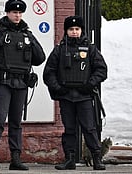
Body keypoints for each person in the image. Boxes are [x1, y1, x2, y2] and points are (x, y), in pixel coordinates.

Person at [0, 0, 46, 171]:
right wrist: (1, 41)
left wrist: (30, 41)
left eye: (20, 13)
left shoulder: (27, 34)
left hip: (21, 82)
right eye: (14, 12)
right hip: (3, 82)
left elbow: (40, 59)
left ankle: (15, 159)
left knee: (16, 122)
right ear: (7, 13)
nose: (17, 15)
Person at [43, 15, 108, 171]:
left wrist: (90, 84)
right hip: (66, 97)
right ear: (66, 31)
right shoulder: (59, 49)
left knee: (89, 128)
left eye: (77, 29)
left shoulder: (90, 49)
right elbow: (48, 73)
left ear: (81, 30)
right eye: (71, 29)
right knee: (69, 130)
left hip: (84, 97)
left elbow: (102, 70)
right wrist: (58, 88)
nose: (74, 32)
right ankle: (69, 160)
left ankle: (96, 159)